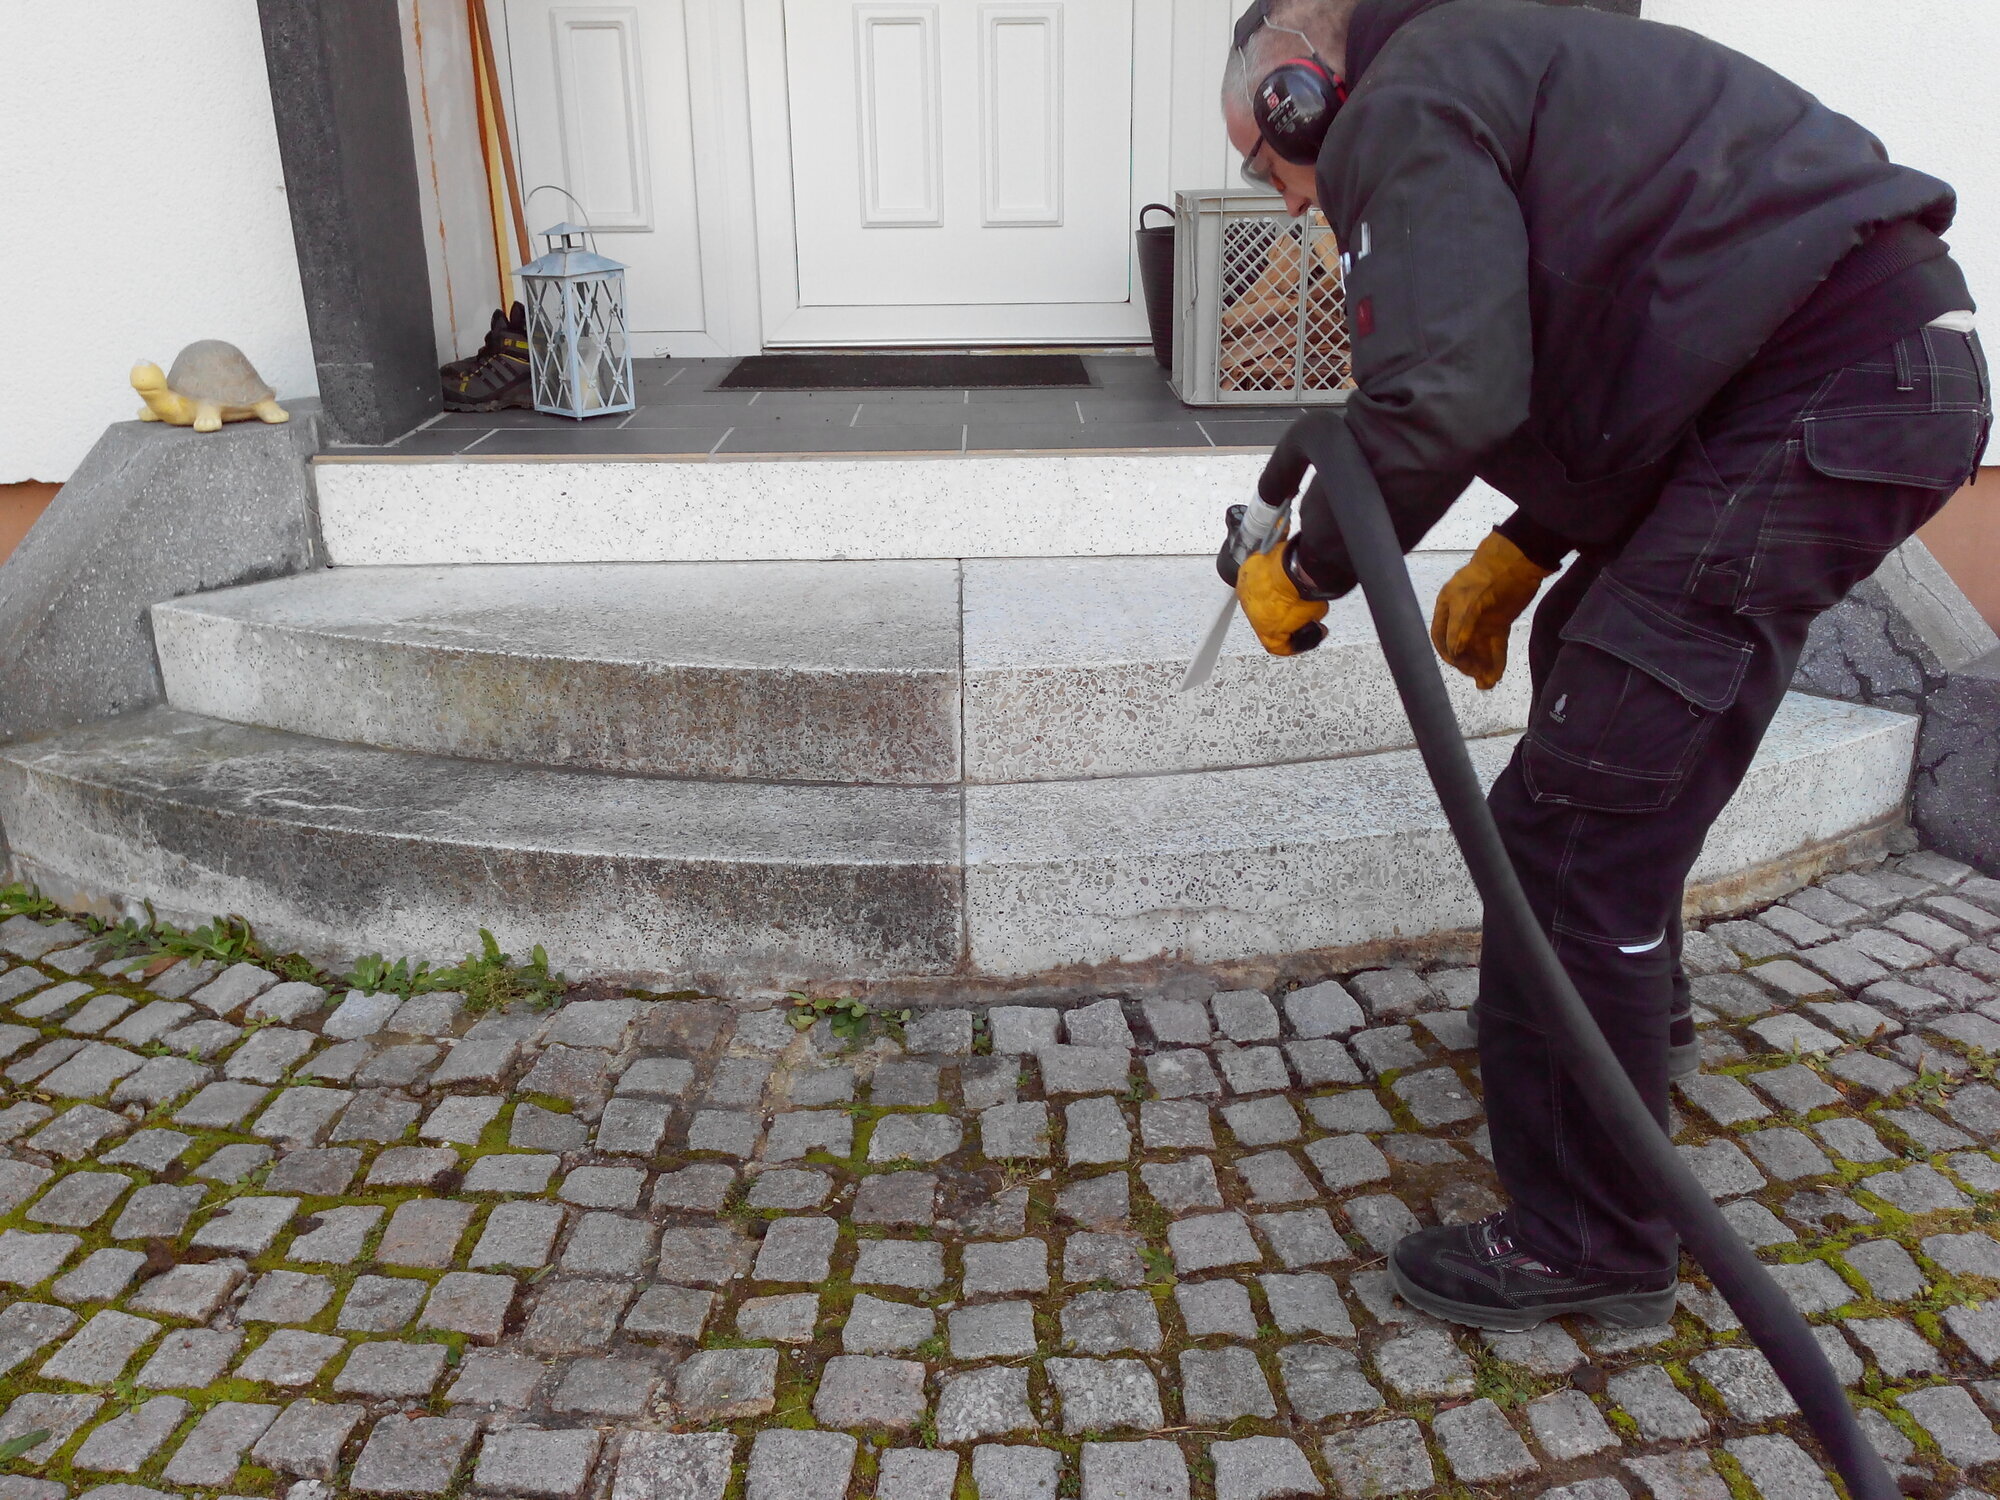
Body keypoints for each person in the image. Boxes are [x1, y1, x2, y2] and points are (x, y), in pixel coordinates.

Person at [1218, 0, 1990, 1331]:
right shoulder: (1495, 65)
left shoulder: (1403, 102)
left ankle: (1593, 1235)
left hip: (1823, 390)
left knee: (1573, 828)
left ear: (1298, 93)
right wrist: (1529, 544)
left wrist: (1316, 565)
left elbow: (1445, 389)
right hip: (1836, 380)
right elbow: (1638, 348)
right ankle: (1627, 1019)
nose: (1286, 202)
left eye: (1262, 162)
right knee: (1602, 666)